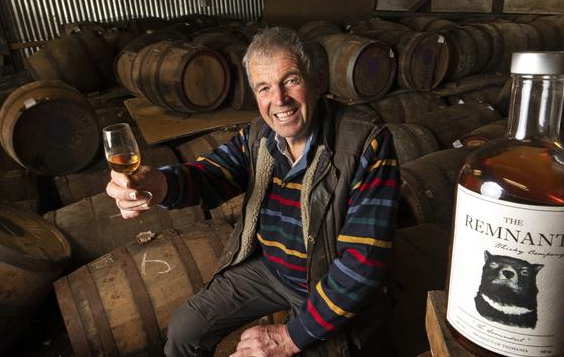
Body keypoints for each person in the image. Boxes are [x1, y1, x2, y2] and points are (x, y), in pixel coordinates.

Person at [106, 26, 400, 357]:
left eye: (290, 80)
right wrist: (160, 184)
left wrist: (289, 337)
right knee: (185, 328)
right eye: (264, 88)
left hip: (323, 280)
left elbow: (362, 263)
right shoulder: (259, 135)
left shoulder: (365, 143)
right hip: (269, 269)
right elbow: (211, 175)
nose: (279, 100)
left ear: (315, 81)